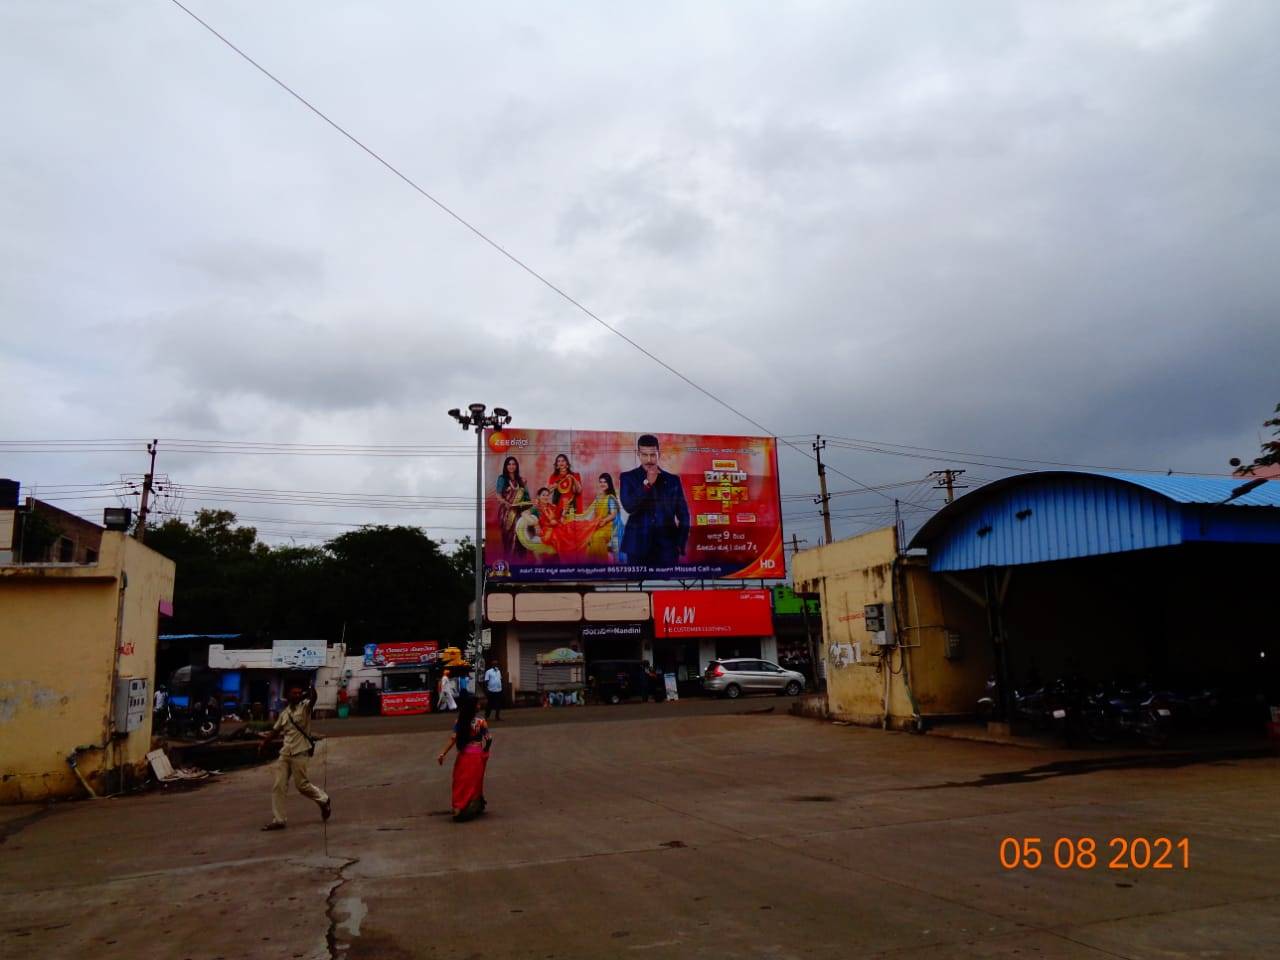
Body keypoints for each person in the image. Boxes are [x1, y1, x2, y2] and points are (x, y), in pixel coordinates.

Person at [257, 684, 331, 831]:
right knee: (278, 785)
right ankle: (279, 820)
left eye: (299, 693)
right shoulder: (284, 713)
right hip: (285, 753)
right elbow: (275, 731)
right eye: (294, 693)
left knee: (301, 785)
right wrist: (264, 744)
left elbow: (313, 698)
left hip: (300, 751)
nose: (297, 695)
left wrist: (311, 690)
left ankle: (323, 799)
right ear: (288, 696)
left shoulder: (305, 708)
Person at [620, 434, 690, 566]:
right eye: (644, 455)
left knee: (667, 586)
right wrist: (647, 484)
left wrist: (680, 543)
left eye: (653, 455)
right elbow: (629, 506)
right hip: (637, 548)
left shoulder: (673, 480)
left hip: (667, 549)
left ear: (659, 454)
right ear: (638, 454)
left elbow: (684, 515)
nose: (649, 460)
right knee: (636, 586)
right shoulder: (628, 477)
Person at [436, 691, 492, 821]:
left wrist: (443, 753)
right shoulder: (481, 722)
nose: (479, 705)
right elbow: (489, 739)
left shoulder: (460, 721)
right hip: (477, 756)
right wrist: (485, 750)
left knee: (460, 782)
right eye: (477, 704)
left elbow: (453, 739)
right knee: (475, 782)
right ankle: (475, 804)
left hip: (463, 756)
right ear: (474, 707)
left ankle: (458, 807)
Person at [496, 456, 532, 559]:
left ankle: (521, 562)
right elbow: (498, 495)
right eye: (509, 464)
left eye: (514, 464)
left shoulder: (521, 480)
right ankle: (510, 560)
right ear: (506, 466)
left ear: (516, 466)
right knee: (509, 538)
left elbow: (526, 497)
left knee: (521, 536)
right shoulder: (502, 479)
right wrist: (506, 503)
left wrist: (526, 505)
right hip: (506, 513)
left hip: (520, 513)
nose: (511, 466)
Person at [585, 473, 623, 564]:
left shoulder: (611, 497)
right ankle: (592, 565)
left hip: (610, 526)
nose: (602, 484)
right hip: (599, 524)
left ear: (609, 483)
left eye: (605, 482)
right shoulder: (599, 497)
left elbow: (613, 514)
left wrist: (604, 520)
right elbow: (595, 514)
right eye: (601, 482)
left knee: (598, 537)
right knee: (589, 537)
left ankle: (602, 565)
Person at [547, 454, 584, 518]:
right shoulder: (553, 477)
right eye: (558, 461)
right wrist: (554, 486)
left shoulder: (575, 475)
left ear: (567, 464)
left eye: (563, 461)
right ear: (556, 465)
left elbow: (579, 490)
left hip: (572, 504)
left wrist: (573, 478)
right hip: (558, 504)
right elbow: (547, 492)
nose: (561, 463)